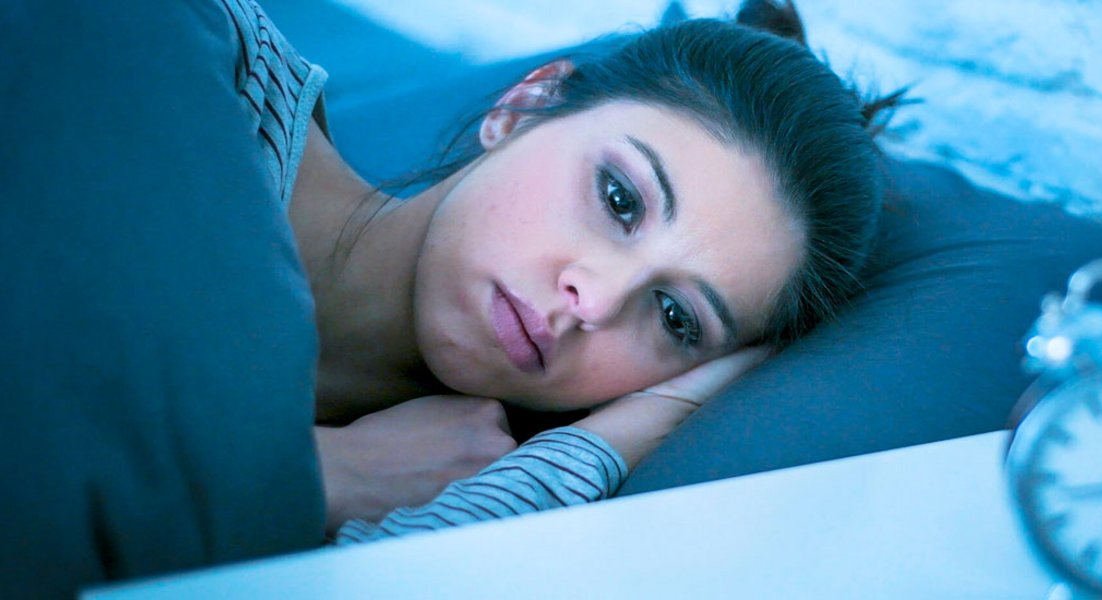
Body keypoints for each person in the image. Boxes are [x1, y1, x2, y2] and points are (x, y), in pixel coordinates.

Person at [0, 0, 897, 593]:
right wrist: (321, 477)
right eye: (620, 199)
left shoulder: (444, 477)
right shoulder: (170, 50)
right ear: (527, 104)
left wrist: (623, 435)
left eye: (675, 318)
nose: (592, 300)